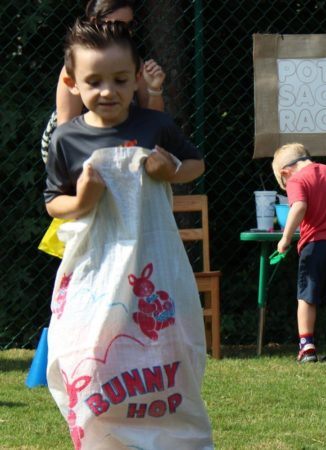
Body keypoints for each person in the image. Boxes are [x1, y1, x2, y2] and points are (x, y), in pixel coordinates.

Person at [44, 20, 212, 448]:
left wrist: (169, 170)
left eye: (120, 80)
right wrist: (81, 200)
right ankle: (104, 436)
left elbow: (195, 165)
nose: (108, 91)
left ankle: (170, 432)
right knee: (90, 351)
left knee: (165, 348)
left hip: (152, 261)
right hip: (95, 268)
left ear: (137, 74)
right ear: (72, 82)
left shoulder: (154, 125)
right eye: (94, 81)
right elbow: (53, 203)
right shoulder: (67, 138)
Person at [40, 0, 165, 163]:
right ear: (95, 23)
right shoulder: (78, 64)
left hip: (121, 141)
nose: (125, 33)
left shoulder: (135, 63)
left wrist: (154, 89)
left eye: (129, 26)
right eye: (117, 26)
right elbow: (66, 129)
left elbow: (153, 121)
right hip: (77, 144)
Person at [272, 143, 326, 363]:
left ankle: (307, 346)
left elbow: (299, 206)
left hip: (315, 245)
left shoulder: (296, 180)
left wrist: (285, 238)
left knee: (307, 298)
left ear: (285, 172)